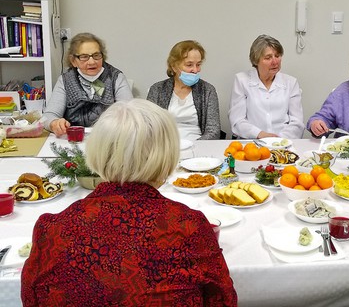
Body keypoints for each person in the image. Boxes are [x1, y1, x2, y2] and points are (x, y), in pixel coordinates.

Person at [22, 99, 237, 306]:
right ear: (166, 156)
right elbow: (223, 300)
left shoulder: (52, 230)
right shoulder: (189, 227)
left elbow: (31, 298)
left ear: (98, 151)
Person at [42, 32, 133, 136]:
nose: (92, 62)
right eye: (84, 57)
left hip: (108, 138)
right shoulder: (65, 80)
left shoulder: (116, 77)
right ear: (73, 61)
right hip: (74, 139)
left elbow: (130, 113)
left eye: (96, 55)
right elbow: (48, 116)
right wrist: (54, 123)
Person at [229, 34, 304, 139]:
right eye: (268, 58)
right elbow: (237, 120)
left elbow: (297, 122)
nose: (275, 62)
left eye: (277, 56)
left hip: (284, 143)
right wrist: (259, 134)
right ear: (256, 60)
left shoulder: (291, 82)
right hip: (252, 142)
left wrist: (279, 139)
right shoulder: (242, 80)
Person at [147, 40, 221, 140]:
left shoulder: (207, 90)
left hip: (198, 146)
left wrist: (196, 146)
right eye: (189, 65)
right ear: (174, 66)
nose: (195, 70)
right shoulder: (157, 89)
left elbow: (213, 130)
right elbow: (148, 127)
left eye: (198, 64)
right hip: (165, 147)